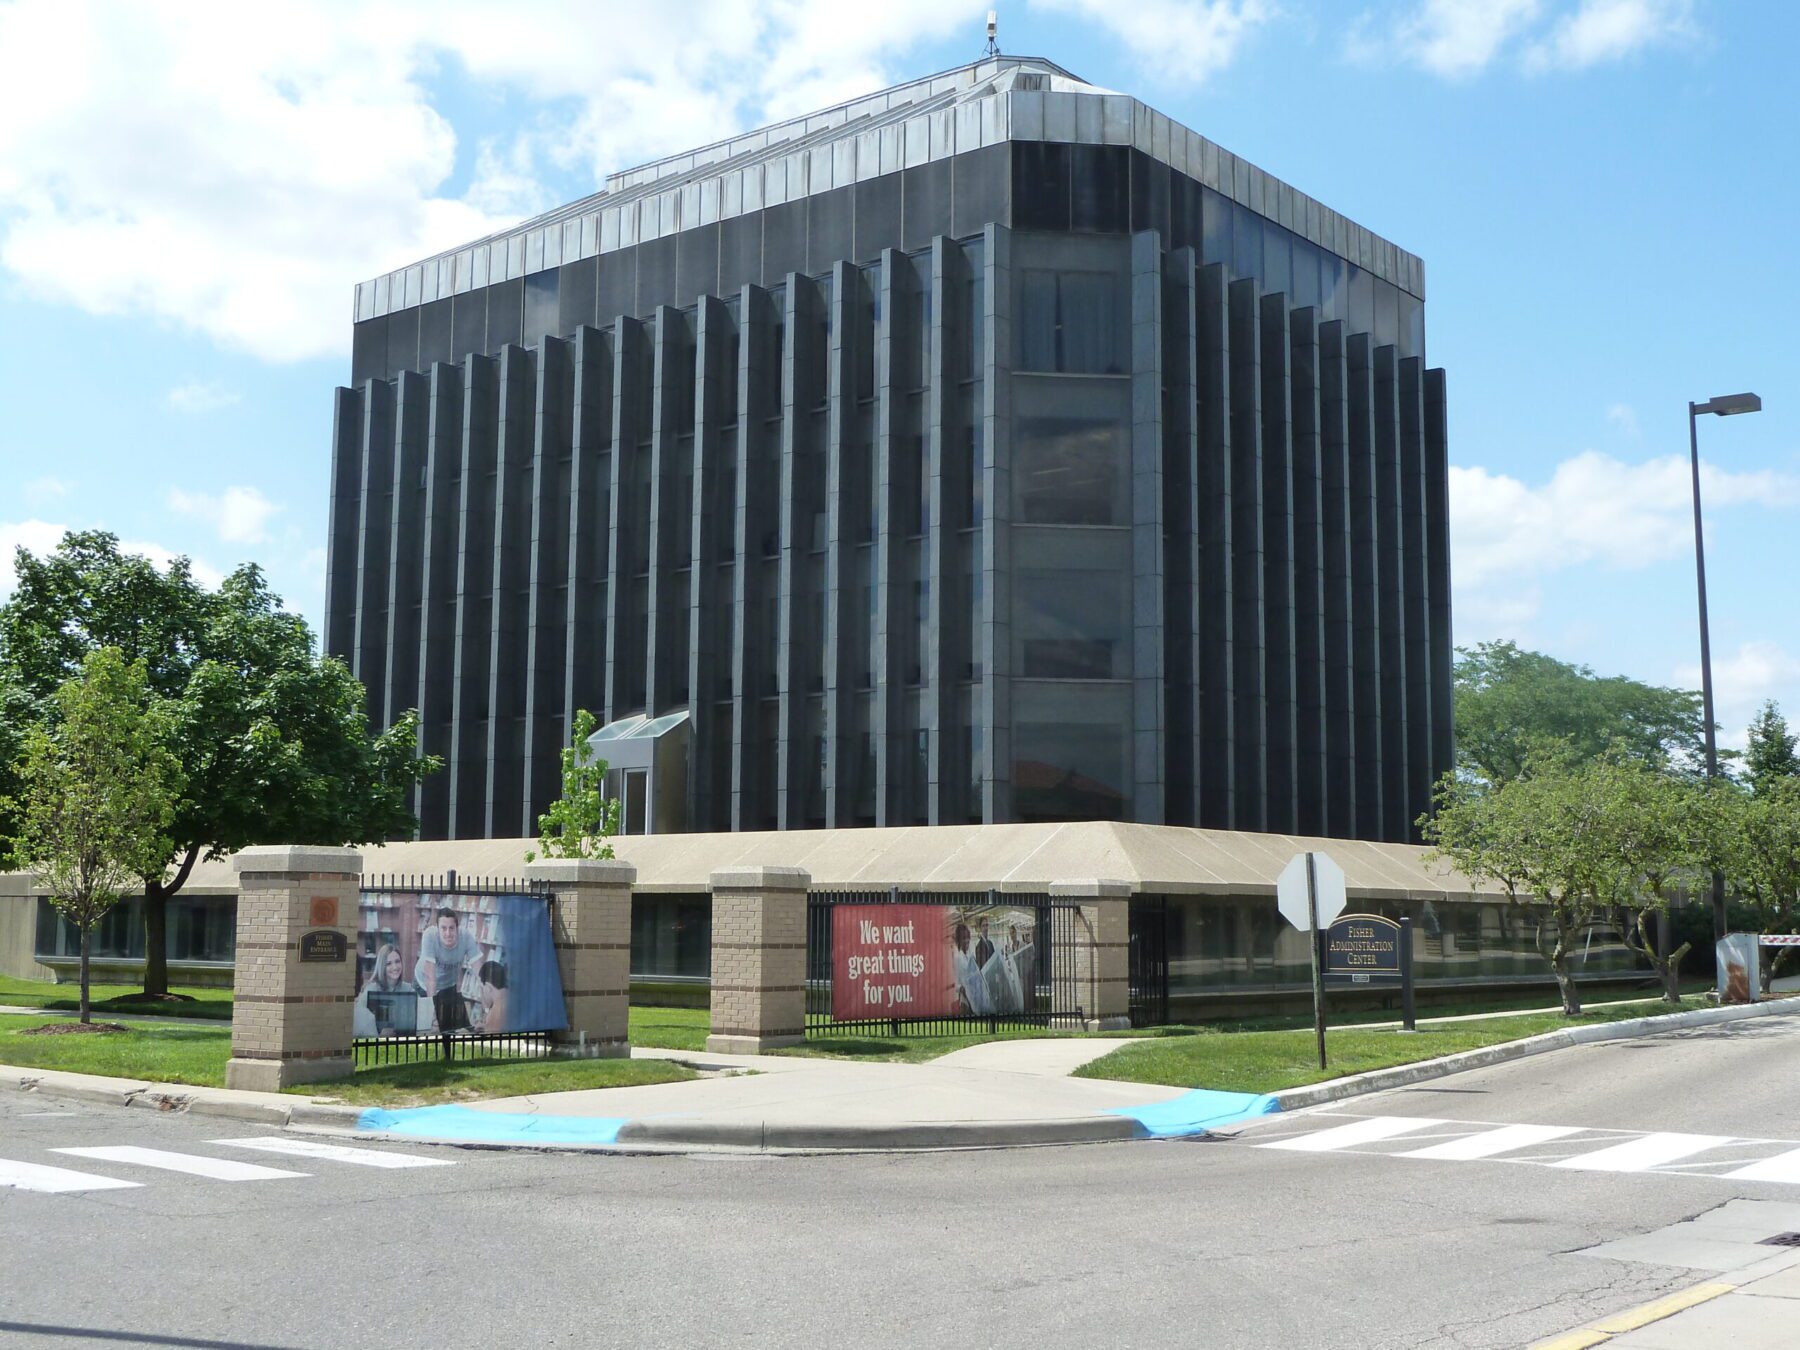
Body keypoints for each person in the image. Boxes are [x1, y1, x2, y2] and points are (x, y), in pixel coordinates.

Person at [415, 906, 482, 1033]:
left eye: (451, 928)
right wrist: (433, 1012)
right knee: (427, 1030)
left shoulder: (466, 936)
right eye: (443, 928)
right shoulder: (429, 936)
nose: (448, 933)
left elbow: (480, 973)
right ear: (437, 928)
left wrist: (488, 1008)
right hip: (423, 984)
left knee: (462, 1030)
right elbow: (431, 979)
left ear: (457, 928)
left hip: (448, 986)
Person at [353, 942, 417, 1036]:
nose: (395, 967)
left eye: (397, 961)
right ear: (382, 966)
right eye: (388, 964)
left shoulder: (409, 989)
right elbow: (359, 1029)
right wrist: (380, 1037)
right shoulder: (371, 990)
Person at [474, 960, 509, 1032]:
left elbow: (491, 1036)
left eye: (482, 988)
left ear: (488, 986)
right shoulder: (508, 999)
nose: (482, 993)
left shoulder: (497, 1009)